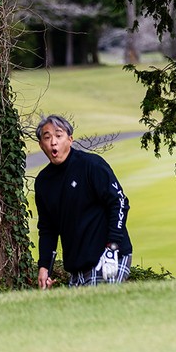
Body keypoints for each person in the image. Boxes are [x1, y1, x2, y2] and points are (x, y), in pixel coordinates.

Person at [34, 114, 133, 288]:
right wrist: (44, 267)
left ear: (70, 139)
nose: (53, 142)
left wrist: (112, 247)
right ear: (41, 145)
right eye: (47, 137)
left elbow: (119, 202)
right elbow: (48, 229)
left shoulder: (91, 165)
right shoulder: (43, 182)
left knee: (100, 309)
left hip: (108, 256)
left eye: (59, 135)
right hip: (76, 267)